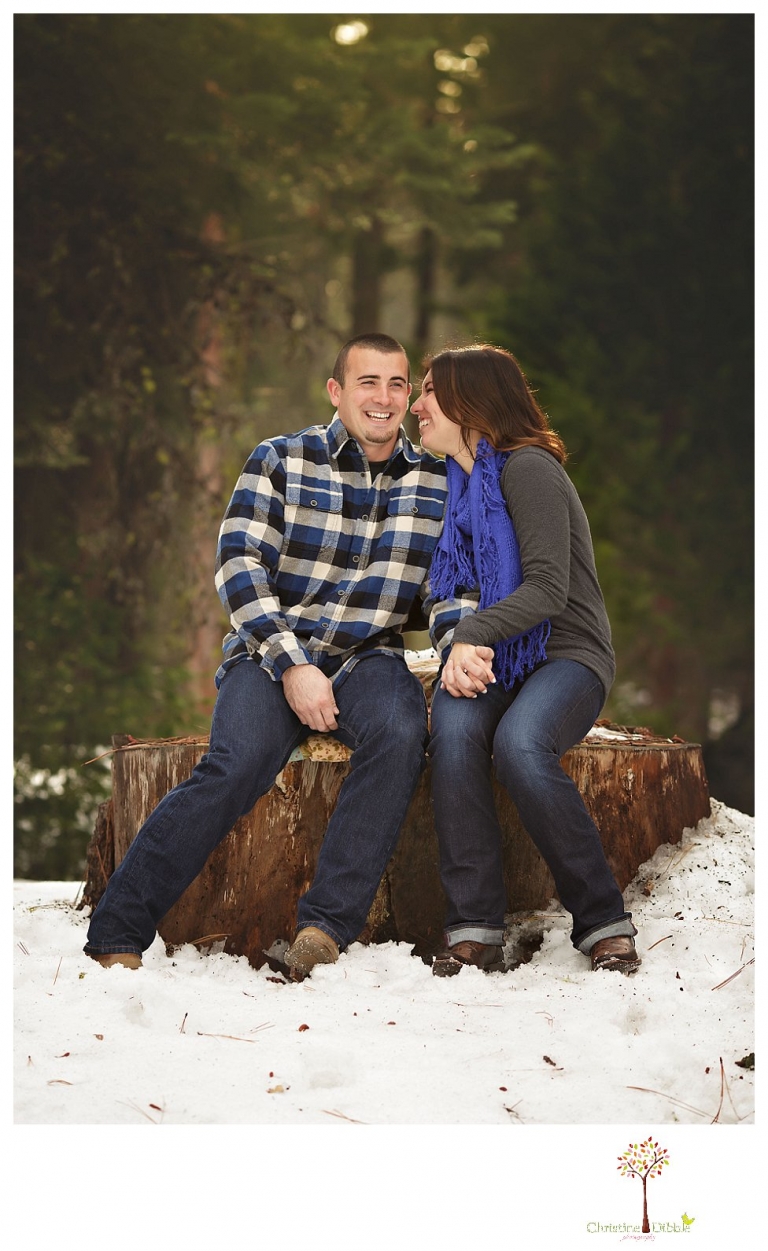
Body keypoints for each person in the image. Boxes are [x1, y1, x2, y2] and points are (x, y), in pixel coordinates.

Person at [84, 334, 447, 980]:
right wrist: (292, 664)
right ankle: (118, 929)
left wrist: (462, 641)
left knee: (399, 735)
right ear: (336, 391)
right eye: (367, 381)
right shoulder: (280, 459)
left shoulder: (435, 481)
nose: (384, 397)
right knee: (236, 763)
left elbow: (447, 587)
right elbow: (238, 565)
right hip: (270, 651)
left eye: (397, 383)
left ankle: (323, 929)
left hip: (368, 657)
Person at [413, 344, 641, 978]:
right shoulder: (455, 485)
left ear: (469, 402)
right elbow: (448, 590)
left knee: (519, 745)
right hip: (497, 657)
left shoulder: (529, 468)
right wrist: (456, 649)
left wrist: (470, 635)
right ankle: (475, 929)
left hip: (567, 654)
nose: (416, 405)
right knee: (454, 732)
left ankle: (602, 921)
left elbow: (546, 588)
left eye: (429, 391)